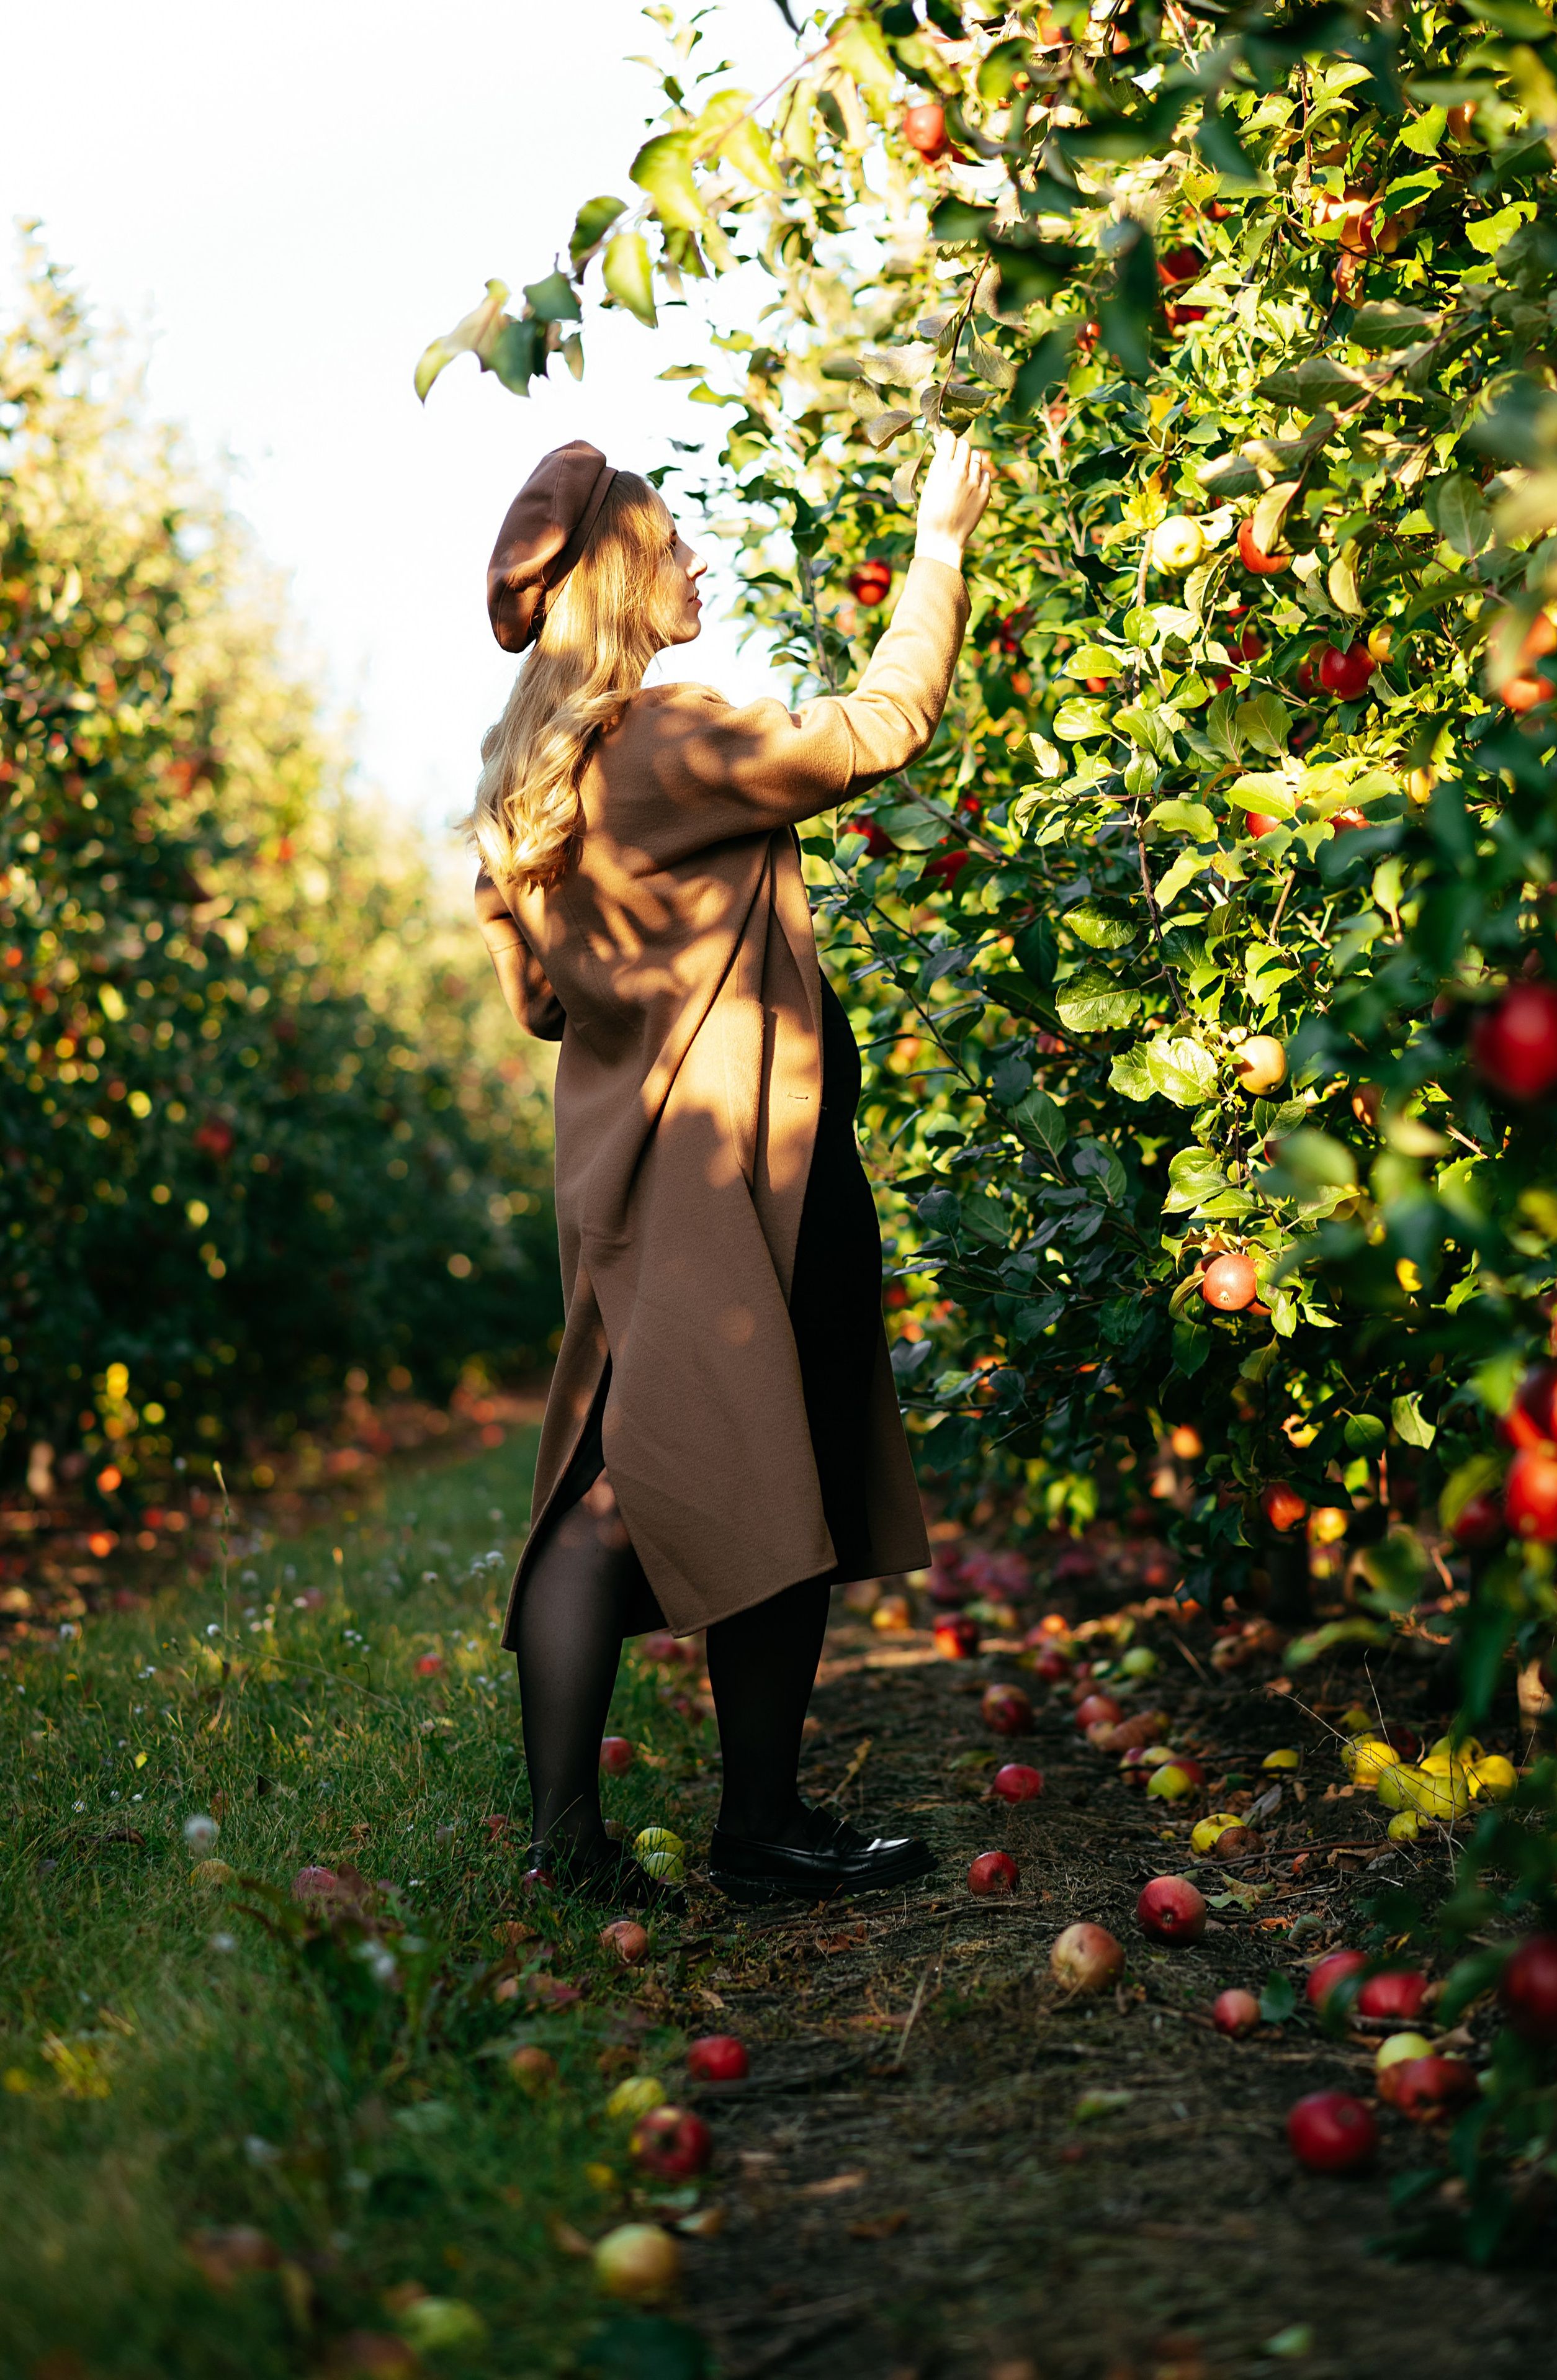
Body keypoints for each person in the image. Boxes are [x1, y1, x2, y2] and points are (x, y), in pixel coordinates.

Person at [469, 428, 990, 1905]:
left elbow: (547, 1005)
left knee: (623, 1481)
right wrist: (938, 540)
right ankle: (738, 1826)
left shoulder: (533, 785)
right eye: (677, 542)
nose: (700, 559)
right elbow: (878, 728)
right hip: (736, 1172)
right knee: (714, 1475)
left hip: (633, 1176)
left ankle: (590, 1835)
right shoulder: (669, 739)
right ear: (625, 576)